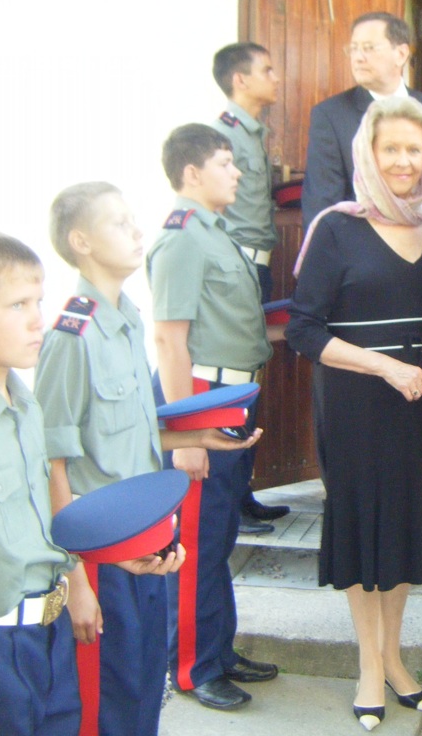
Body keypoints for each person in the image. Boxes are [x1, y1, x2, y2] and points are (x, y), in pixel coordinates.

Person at [35, 182, 260, 735]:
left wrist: (197, 438)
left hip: (148, 540)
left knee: (142, 691)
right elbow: (52, 464)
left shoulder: (128, 318)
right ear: (81, 241)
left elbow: (130, 434)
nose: (137, 232)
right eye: (119, 223)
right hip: (100, 554)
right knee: (105, 701)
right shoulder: (73, 336)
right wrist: (76, 583)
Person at [286, 96, 422, 732]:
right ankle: (368, 663)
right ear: (368, 152)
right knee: (365, 530)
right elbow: (304, 330)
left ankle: (394, 656)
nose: (404, 161)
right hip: (358, 405)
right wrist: (384, 366)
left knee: (406, 529)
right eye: (392, 148)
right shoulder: (336, 228)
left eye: (416, 149)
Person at [146, 124, 277, 711]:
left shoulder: (214, 231)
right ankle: (192, 667)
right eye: (226, 163)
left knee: (218, 534)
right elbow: (169, 340)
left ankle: (217, 650)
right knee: (195, 540)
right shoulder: (181, 238)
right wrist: (185, 434)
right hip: (199, 395)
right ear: (192, 172)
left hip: (229, 396)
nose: (238, 172)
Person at [0, 229, 82, 736]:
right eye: (17, 305)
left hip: (48, 635)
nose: (38, 320)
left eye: (38, 301)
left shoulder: (25, 404)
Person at [210, 41, 290, 532]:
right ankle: (228, 503)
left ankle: (242, 492)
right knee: (236, 381)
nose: (275, 77)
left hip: (256, 267)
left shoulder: (252, 132)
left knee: (252, 380)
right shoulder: (224, 133)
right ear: (240, 80)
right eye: (267, 69)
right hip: (238, 266)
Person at [301, 12, 422, 226]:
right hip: (359, 245)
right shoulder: (331, 116)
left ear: (401, 54)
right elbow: (322, 208)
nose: (358, 58)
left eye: (369, 48)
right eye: (353, 49)